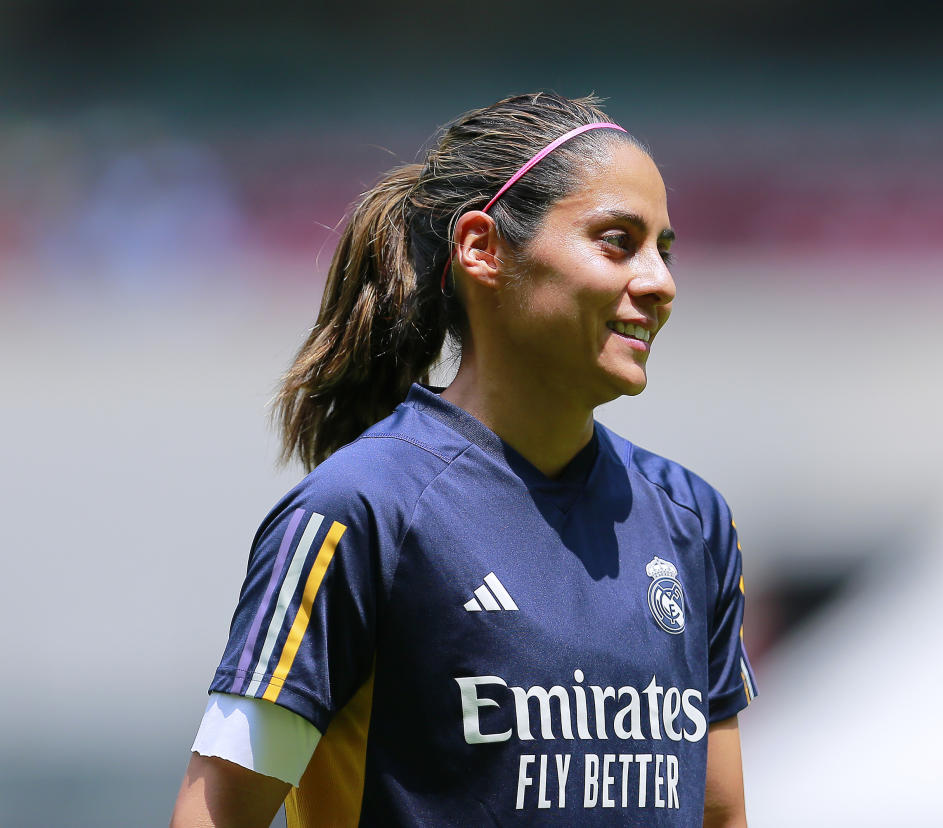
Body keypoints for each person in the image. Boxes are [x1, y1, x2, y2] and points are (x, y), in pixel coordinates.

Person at [170, 92, 757, 827]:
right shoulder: (360, 511)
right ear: (482, 248)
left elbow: (721, 815)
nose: (660, 282)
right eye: (617, 241)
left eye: (664, 251)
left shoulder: (692, 519)